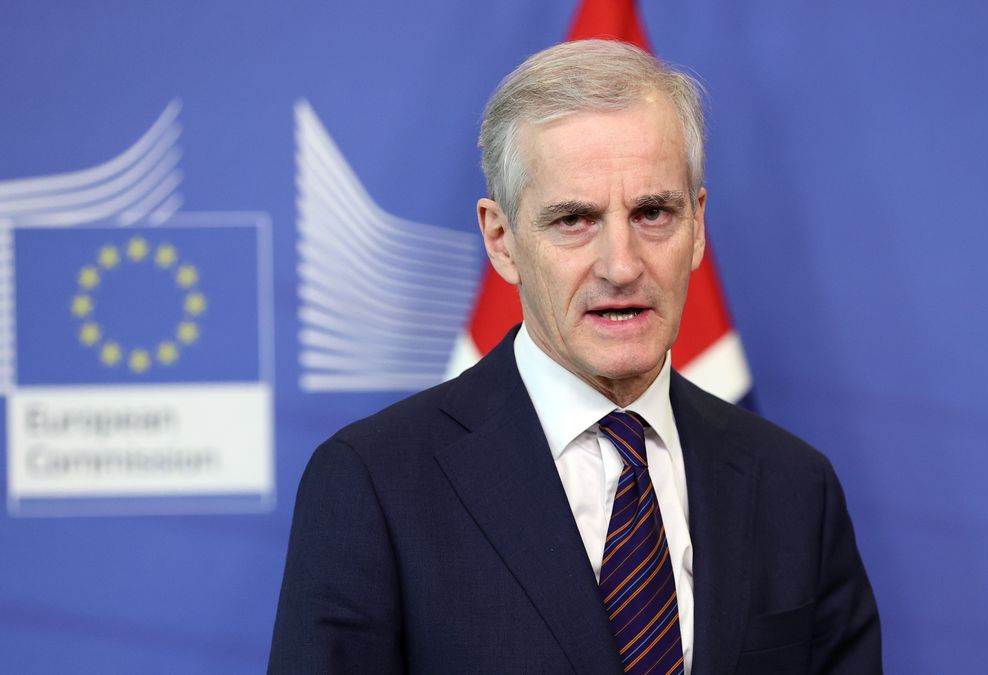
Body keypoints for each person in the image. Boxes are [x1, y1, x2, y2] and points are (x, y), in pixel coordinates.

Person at [269, 39, 881, 674]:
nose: (622, 266)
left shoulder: (794, 486)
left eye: (652, 213)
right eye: (573, 221)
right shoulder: (375, 483)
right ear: (501, 239)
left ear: (697, 226)